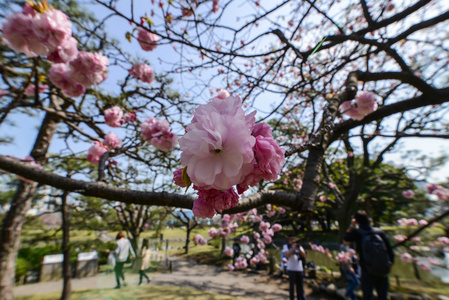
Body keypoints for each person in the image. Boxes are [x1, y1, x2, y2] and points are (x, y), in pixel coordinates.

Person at [343, 211, 394, 300]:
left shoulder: (358, 233)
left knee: (367, 296)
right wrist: (388, 266)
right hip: (383, 269)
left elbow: (345, 239)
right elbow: (390, 251)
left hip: (367, 269)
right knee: (383, 296)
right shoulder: (380, 232)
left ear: (357, 221)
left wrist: (352, 225)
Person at [282, 235, 307, 300]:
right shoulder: (286, 246)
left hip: (299, 268)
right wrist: (293, 248)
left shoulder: (299, 246)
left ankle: (300, 298)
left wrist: (298, 249)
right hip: (291, 268)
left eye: (294, 239)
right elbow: (287, 255)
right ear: (289, 240)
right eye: (291, 240)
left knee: (300, 286)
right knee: (292, 286)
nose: (293, 241)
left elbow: (304, 256)